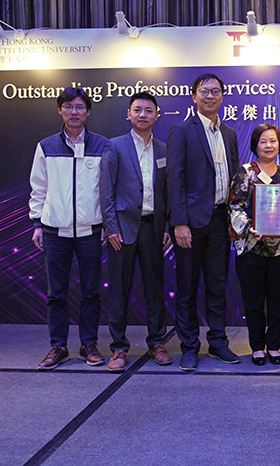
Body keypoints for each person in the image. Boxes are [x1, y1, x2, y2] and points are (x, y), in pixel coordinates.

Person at [29, 87, 109, 370]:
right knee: (56, 293)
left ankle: (89, 345)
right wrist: (37, 223)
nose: (74, 112)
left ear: (88, 111)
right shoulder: (46, 146)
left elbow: (107, 189)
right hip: (55, 231)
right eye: (68, 107)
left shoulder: (102, 146)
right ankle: (58, 346)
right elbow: (39, 187)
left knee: (91, 292)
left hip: (91, 231)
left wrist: (106, 223)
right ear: (60, 110)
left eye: (79, 107)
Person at [167, 73, 241, 371]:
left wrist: (237, 218)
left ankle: (218, 342)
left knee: (217, 284)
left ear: (222, 96)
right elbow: (175, 178)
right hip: (191, 223)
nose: (210, 96)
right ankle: (189, 346)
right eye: (204, 91)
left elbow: (234, 179)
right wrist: (179, 222)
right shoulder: (182, 131)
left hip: (220, 220)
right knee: (187, 286)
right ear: (194, 96)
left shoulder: (229, 134)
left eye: (216, 91)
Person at [100, 91, 171, 373]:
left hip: (154, 228)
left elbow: (168, 192)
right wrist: (110, 227)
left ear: (157, 115)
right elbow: (105, 190)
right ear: (128, 114)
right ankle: (118, 347)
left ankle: (157, 342)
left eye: (148, 110)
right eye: (137, 109)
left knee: (155, 289)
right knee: (119, 289)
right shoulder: (115, 146)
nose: (143, 114)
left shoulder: (164, 149)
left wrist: (167, 226)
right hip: (122, 229)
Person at [229, 124, 280, 365]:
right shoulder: (245, 172)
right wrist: (249, 228)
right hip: (251, 247)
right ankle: (257, 346)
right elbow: (234, 207)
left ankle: (274, 346)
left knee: (277, 298)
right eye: (263, 141)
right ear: (255, 145)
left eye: (273, 141)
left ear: (279, 144)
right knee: (253, 299)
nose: (269, 146)